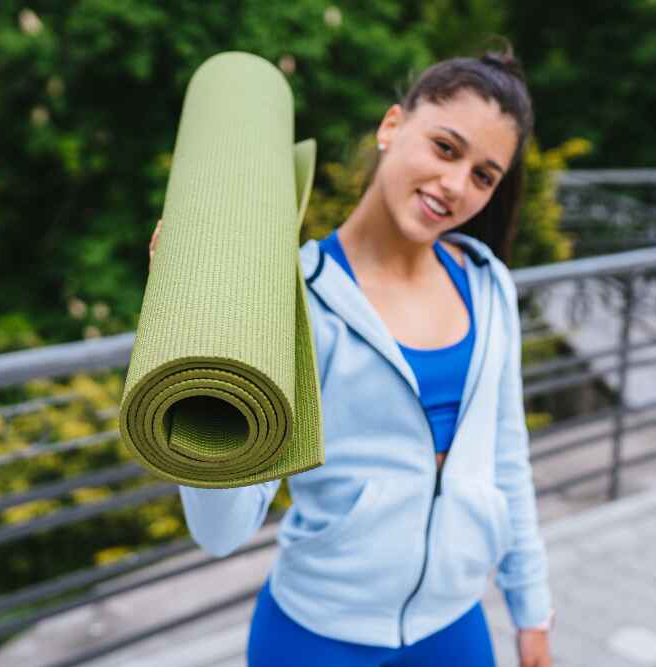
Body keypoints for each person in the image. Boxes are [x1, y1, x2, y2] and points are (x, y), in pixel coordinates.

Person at [150, 46, 553, 667]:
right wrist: (203, 339)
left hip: (454, 624)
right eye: (445, 148)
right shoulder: (292, 298)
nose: (455, 185)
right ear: (393, 125)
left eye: (483, 176)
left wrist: (532, 610)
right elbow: (222, 531)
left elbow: (507, 460)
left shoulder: (487, 285)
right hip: (316, 635)